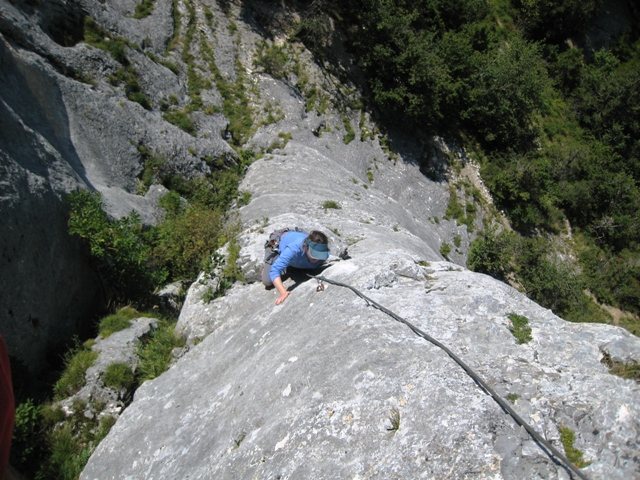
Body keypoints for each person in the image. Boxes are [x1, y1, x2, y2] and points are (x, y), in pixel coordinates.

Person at [262, 229, 329, 305]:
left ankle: (292, 265)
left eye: (319, 255)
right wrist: (283, 292)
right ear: (306, 247)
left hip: (297, 241)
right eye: (314, 255)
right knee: (267, 281)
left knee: (313, 266)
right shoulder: (294, 249)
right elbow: (274, 270)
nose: (317, 259)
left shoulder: (323, 253)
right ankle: (268, 265)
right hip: (280, 242)